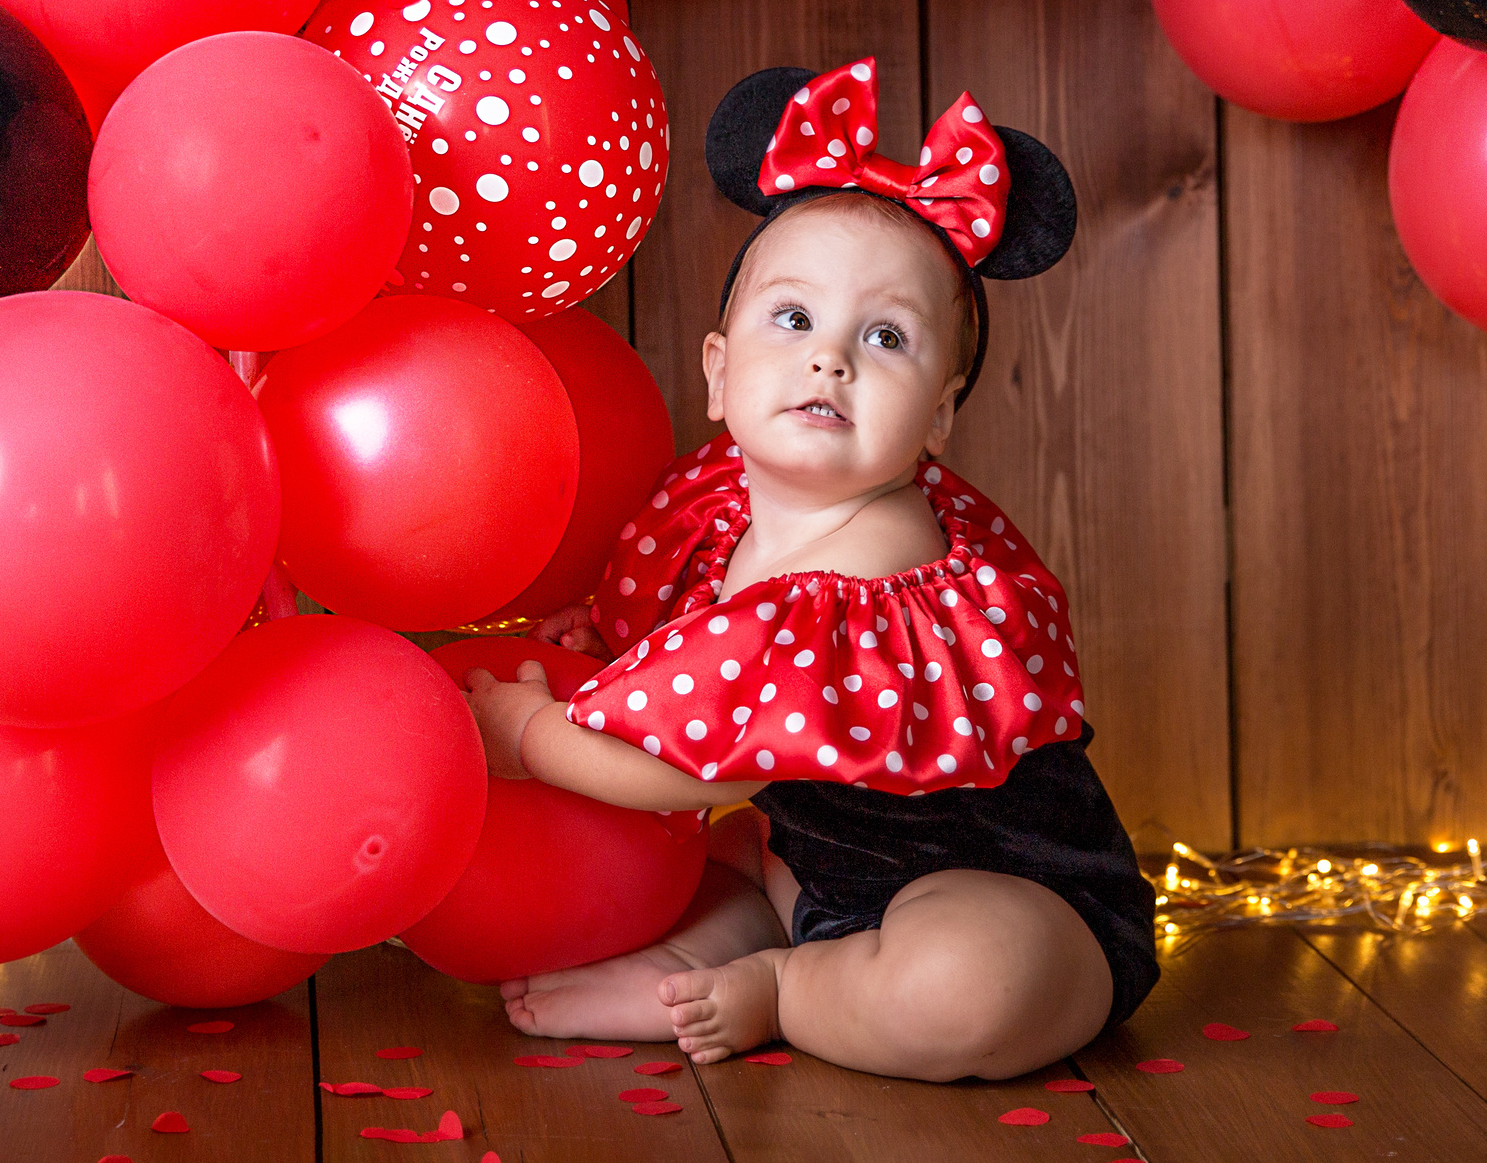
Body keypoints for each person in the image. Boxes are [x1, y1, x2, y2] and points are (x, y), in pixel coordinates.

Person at [462, 60, 1158, 1082]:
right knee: (695, 866)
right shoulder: (717, 506)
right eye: (793, 319)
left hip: (1011, 894)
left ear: (937, 415)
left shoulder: (878, 561)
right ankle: (740, 930)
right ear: (716, 368)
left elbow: (698, 759)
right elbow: (692, 659)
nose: (829, 358)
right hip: (814, 863)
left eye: (884, 337)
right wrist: (604, 642)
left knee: (964, 984)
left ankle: (781, 987)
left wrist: (530, 735)